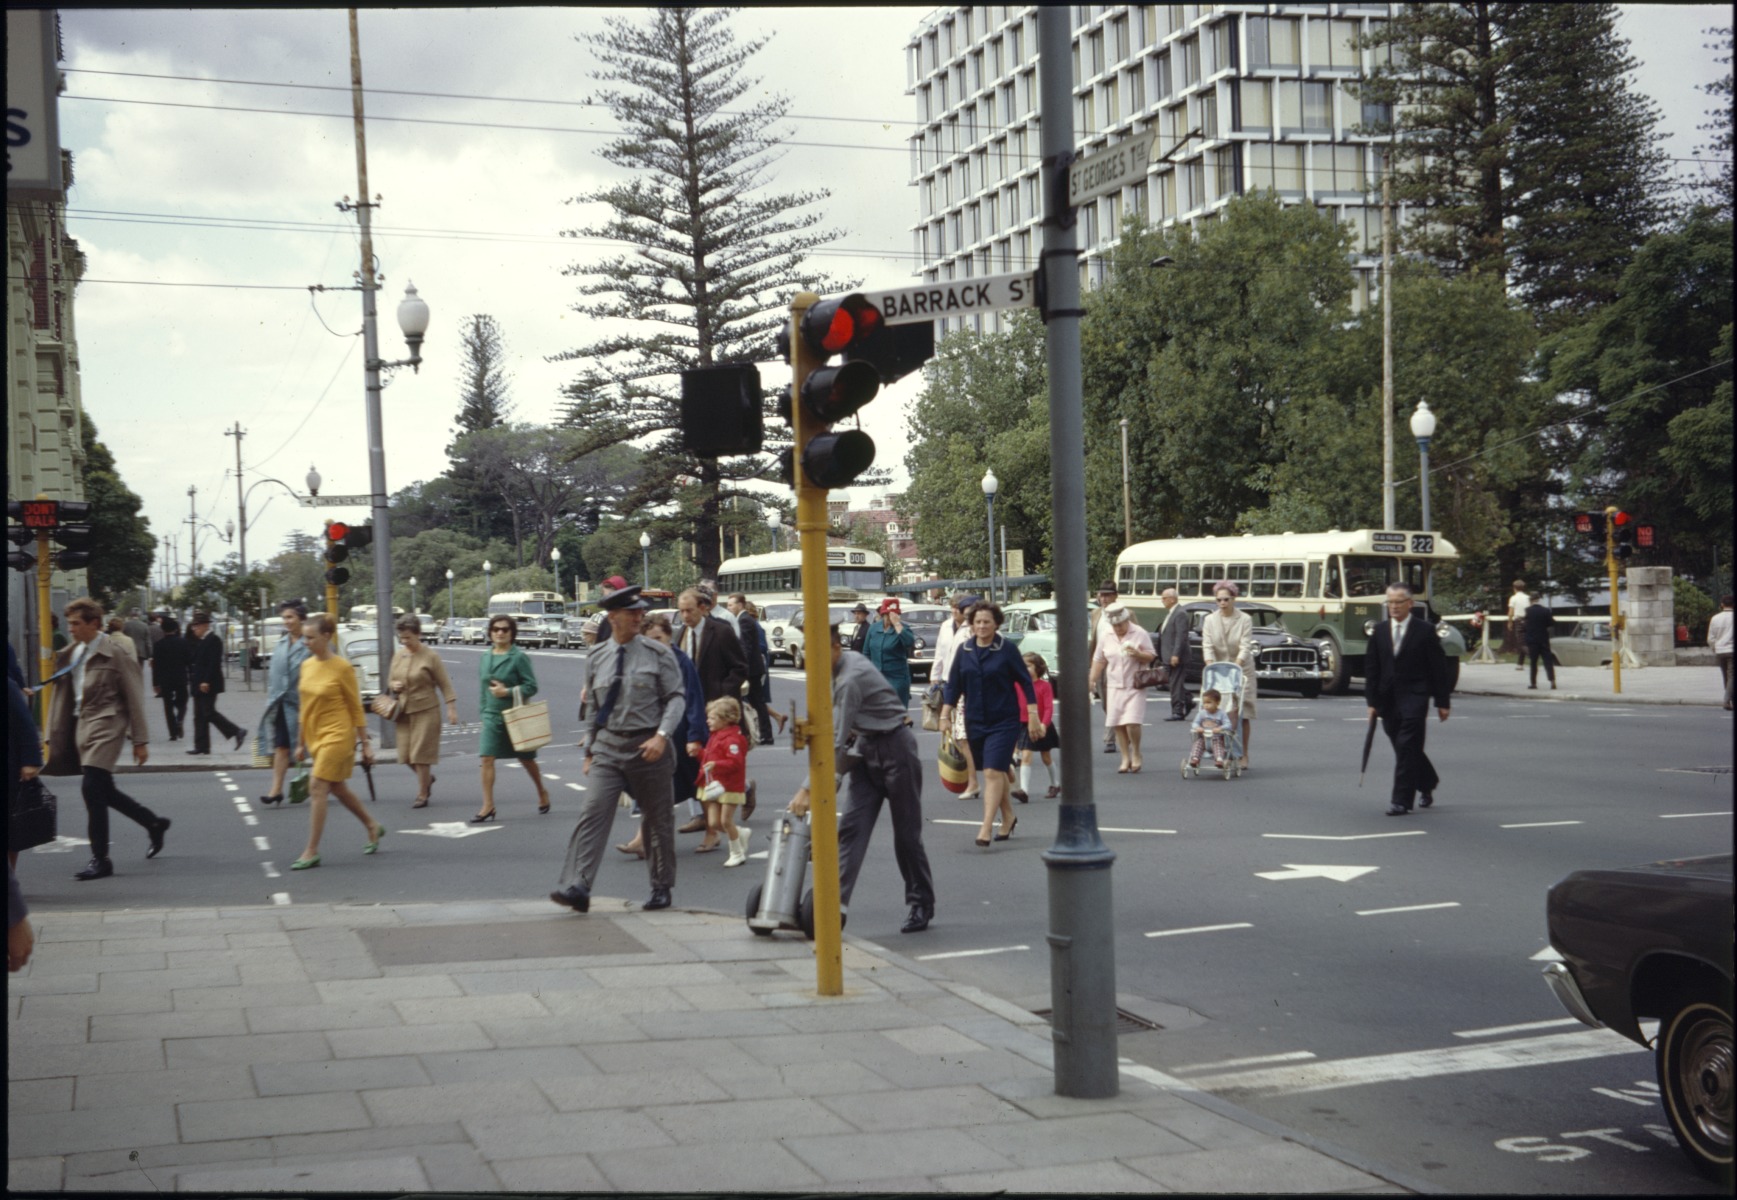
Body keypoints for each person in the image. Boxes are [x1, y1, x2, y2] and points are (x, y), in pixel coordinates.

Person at [788, 624, 935, 933]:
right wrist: (836, 773)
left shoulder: (849, 679)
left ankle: (921, 902)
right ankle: (834, 907)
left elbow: (835, 740)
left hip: (896, 748)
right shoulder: (833, 672)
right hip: (866, 748)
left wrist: (806, 790)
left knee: (907, 836)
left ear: (836, 649)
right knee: (851, 830)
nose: (811, 659)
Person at [551, 582, 686, 914]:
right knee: (592, 813)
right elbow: (595, 708)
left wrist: (662, 736)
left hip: (648, 746)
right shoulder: (597, 657)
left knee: (658, 820)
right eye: (632, 612)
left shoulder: (659, 654)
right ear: (613, 617)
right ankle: (578, 885)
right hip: (609, 747)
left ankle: (661, 886)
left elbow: (676, 698)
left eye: (641, 611)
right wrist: (589, 750)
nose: (640, 616)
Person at [42, 598, 167, 881]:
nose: (70, 628)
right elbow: (65, 696)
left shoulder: (116, 652)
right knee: (103, 790)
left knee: (91, 787)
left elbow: (134, 696)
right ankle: (153, 823)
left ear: (94, 623)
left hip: (108, 724)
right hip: (81, 725)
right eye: (69, 623)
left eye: (76, 623)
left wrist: (140, 740)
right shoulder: (72, 653)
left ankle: (100, 859)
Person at [941, 600, 1042, 848]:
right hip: (975, 720)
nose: (982, 626)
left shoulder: (1006, 649)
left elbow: (1025, 682)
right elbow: (953, 685)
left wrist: (1033, 715)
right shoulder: (964, 650)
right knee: (993, 771)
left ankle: (986, 826)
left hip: (1003, 721)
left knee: (991, 772)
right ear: (971, 625)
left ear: (996, 623)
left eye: (987, 621)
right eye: (977, 622)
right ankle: (1008, 816)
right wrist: (945, 715)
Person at [289, 613, 383, 869]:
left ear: (327, 636)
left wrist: (365, 744)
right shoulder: (307, 666)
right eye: (304, 637)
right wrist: (299, 743)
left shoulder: (342, 667)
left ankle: (311, 851)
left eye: (310, 637)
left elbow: (355, 708)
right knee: (337, 788)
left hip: (339, 734)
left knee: (318, 786)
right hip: (315, 736)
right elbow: (304, 707)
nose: (305, 642)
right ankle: (372, 825)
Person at [614, 611, 705, 860]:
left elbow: (694, 698)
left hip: (678, 734)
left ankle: (718, 830)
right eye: (650, 639)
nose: (656, 643)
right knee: (653, 787)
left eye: (659, 638)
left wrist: (695, 735)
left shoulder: (681, 661)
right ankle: (643, 839)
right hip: (653, 734)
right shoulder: (642, 660)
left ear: (669, 637)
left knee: (697, 785)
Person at [1365, 583, 1452, 816]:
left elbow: (1438, 668)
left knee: (1406, 746)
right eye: (1389, 602)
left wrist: (1442, 702)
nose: (1393, 607)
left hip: (1415, 696)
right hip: (1388, 700)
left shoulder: (1425, 631)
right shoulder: (1380, 631)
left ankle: (1401, 801)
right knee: (1404, 747)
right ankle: (1427, 782)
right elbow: (1372, 669)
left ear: (1410, 604)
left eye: (1398, 602)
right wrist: (1372, 703)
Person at [674, 587, 747, 833]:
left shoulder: (721, 632)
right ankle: (700, 814)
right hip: (690, 711)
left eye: (690, 610)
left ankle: (743, 790)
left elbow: (739, 667)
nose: (685, 616)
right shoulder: (681, 634)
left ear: (703, 608)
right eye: (681, 611)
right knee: (695, 759)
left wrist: (722, 695)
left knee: (715, 759)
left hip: (716, 710)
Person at [472, 615, 551, 822]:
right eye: (496, 629)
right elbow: (483, 689)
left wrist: (506, 692)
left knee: (526, 759)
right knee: (486, 757)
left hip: (515, 715)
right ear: (490, 632)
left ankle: (542, 791)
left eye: (505, 630)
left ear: (512, 633)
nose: (500, 632)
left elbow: (531, 686)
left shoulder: (518, 657)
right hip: (492, 715)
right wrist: (483, 712)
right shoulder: (485, 657)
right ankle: (488, 805)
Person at [386, 613, 459, 808]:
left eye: (408, 637)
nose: (404, 641)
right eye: (401, 638)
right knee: (405, 754)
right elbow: (390, 679)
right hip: (403, 711)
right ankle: (427, 779)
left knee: (420, 753)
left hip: (426, 709)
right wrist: (394, 685)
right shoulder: (399, 655)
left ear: (418, 634)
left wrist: (451, 708)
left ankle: (422, 793)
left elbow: (445, 684)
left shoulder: (431, 656)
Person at [1089, 605, 1157, 773]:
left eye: (1120, 624)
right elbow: (1099, 659)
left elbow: (1151, 655)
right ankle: (1125, 757)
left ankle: (1136, 752)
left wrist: (1138, 655)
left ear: (1127, 620)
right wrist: (1091, 680)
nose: (1117, 628)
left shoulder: (1139, 632)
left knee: (1132, 722)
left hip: (1135, 683)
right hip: (1113, 684)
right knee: (1118, 723)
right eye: (1114, 625)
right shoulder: (1107, 635)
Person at [255, 601, 310, 805]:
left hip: (306, 706)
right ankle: (276, 790)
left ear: (301, 618)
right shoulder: (281, 643)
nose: (286, 621)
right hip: (282, 706)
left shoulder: (310, 642)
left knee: (317, 747)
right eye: (284, 617)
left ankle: (330, 783)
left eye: (290, 617)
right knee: (281, 747)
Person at [1200, 583, 1257, 771]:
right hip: (1217, 669)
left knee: (1242, 712)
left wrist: (1236, 666)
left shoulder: (1245, 619)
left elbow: (1245, 645)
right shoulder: (1209, 620)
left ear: (1234, 599)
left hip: (1241, 669)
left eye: (1226, 599)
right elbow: (1207, 644)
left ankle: (1243, 754)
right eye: (1219, 600)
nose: (1222, 603)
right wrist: (1211, 665)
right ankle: (1219, 752)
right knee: (1217, 710)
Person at [932, 593, 983, 798]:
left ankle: (1004, 775)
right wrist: (935, 677)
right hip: (951, 684)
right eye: (953, 608)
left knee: (968, 737)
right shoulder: (946, 626)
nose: (955, 612)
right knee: (962, 737)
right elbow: (940, 652)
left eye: (958, 609)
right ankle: (974, 782)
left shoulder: (974, 630)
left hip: (970, 689)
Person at [697, 697, 752, 865]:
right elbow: (709, 756)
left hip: (730, 785)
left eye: (712, 718)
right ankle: (739, 832)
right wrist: (699, 753)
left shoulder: (733, 740)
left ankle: (737, 852)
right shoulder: (715, 736)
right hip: (715, 785)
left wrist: (716, 764)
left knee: (725, 821)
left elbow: (736, 763)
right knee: (713, 822)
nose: (708, 721)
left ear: (726, 719)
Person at [186, 611, 245, 755]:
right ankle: (202, 746)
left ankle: (237, 731)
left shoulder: (214, 640)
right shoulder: (198, 641)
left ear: (206, 625)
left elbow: (213, 663)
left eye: (197, 626)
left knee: (208, 712)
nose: (194, 629)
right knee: (199, 714)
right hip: (198, 682)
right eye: (194, 626)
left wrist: (206, 680)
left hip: (209, 683)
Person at [726, 593, 777, 745]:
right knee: (756, 701)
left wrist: (742, 667)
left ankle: (763, 734)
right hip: (753, 668)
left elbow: (746, 647)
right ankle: (763, 733)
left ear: (740, 605)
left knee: (756, 702)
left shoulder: (744, 621)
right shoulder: (743, 619)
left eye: (731, 605)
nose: (728, 608)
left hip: (751, 669)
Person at [1013, 651, 1059, 801]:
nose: (1025, 669)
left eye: (1029, 666)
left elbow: (1048, 708)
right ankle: (1024, 791)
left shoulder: (1044, 686)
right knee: (1026, 755)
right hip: (1023, 724)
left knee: (1046, 757)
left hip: (1041, 725)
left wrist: (1044, 725)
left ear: (1038, 668)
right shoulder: (1017, 684)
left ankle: (1055, 784)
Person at [1087, 580, 1121, 754]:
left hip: (1119, 663)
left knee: (1114, 700)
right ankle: (1123, 729)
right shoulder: (1096, 613)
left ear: (1115, 596)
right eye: (1101, 595)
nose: (1104, 598)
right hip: (1099, 661)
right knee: (1106, 702)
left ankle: (1110, 739)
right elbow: (1094, 639)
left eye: (1108, 594)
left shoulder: (1126, 613)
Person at [863, 597, 916, 709]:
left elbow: (909, 643)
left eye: (894, 615)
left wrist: (897, 625)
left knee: (897, 710)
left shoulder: (903, 628)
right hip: (877, 676)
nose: (890, 618)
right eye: (888, 615)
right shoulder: (873, 628)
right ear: (883, 615)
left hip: (897, 676)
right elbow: (866, 652)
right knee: (878, 710)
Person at [150, 616, 191, 741]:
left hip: (165, 679)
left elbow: (155, 666)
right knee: (183, 702)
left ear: (163, 630)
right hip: (180, 677)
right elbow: (189, 661)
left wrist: (155, 683)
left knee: (167, 705)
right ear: (175, 629)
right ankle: (179, 719)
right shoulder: (183, 642)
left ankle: (172, 733)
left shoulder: (158, 645)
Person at [1157, 587, 1192, 720]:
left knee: (1175, 683)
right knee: (1172, 683)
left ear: (1172, 599)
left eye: (1164, 598)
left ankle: (1177, 711)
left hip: (1177, 656)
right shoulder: (1172, 613)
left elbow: (1181, 636)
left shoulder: (1180, 613)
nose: (1162, 601)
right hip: (1168, 655)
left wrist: (1175, 654)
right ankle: (1188, 699)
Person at [1189, 688, 1234, 769]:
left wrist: (1220, 728)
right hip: (1204, 737)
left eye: (1209, 702)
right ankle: (1195, 758)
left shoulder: (1221, 714)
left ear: (1217, 703)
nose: (1206, 705)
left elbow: (1228, 724)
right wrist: (1197, 727)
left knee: (1218, 746)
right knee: (1197, 744)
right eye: (1204, 703)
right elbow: (1195, 723)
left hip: (1216, 737)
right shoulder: (1202, 713)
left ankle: (1219, 760)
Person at [1522, 600, 1558, 691]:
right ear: (1539, 600)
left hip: (1532, 639)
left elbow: (1525, 625)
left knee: (1533, 662)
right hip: (1543, 638)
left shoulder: (1527, 610)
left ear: (1530, 600)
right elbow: (1551, 622)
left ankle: (1533, 683)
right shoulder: (1546, 610)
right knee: (1548, 661)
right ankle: (1552, 680)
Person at [1710, 595, 1733, 711]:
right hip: (1732, 650)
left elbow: (1711, 638)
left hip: (1720, 651)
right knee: (1732, 676)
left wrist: (1715, 648)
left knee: (1726, 676)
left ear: (1722, 604)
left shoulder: (1715, 618)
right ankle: (1726, 700)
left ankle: (1729, 700)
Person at [1505, 579, 1530, 670]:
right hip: (1528, 620)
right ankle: (1520, 663)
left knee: (1520, 643)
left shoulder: (1513, 598)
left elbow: (1511, 612)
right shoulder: (1528, 598)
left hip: (1519, 620)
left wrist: (1510, 622)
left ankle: (1531, 654)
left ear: (1514, 588)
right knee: (1525, 641)